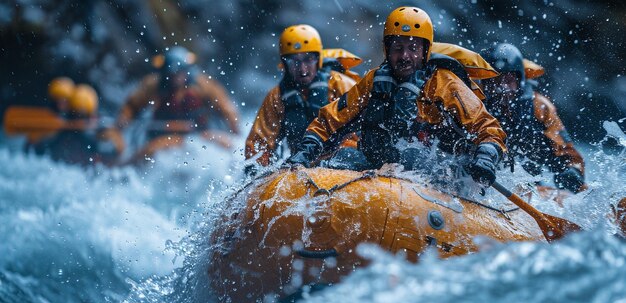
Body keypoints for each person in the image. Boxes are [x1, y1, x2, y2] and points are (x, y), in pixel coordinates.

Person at [288, 7, 507, 187]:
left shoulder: (446, 83)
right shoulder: (375, 80)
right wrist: (307, 149)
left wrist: (486, 156)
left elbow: (488, 129)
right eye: (398, 48)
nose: (404, 56)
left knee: (413, 157)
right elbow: (331, 119)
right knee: (342, 159)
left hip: (441, 170)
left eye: (412, 48)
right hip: (383, 165)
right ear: (387, 50)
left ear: (424, 51)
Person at [244, 24, 360, 171]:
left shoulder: (341, 85)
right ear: (284, 64)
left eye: (308, 59)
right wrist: (257, 170)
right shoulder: (277, 97)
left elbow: (366, 127)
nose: (303, 69)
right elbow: (259, 144)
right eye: (294, 61)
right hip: (300, 167)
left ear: (318, 59)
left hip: (345, 160)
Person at [480, 43, 586, 193]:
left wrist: (572, 171)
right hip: (478, 176)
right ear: (484, 81)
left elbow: (568, 153)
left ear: (520, 80)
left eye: (508, 79)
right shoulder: (473, 102)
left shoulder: (540, 107)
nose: (501, 87)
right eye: (494, 80)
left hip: (527, 185)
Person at [116, 46, 240, 150]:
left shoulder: (202, 84)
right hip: (163, 137)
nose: (176, 77)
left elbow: (226, 106)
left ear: (186, 71)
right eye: (172, 74)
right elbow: (131, 105)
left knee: (227, 145)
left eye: (180, 73)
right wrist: (124, 119)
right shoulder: (153, 85)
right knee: (150, 150)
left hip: (200, 134)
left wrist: (234, 128)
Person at [45, 84, 123, 166]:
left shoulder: (102, 127)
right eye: (76, 114)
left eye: (82, 115)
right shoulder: (64, 126)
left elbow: (117, 149)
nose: (60, 104)